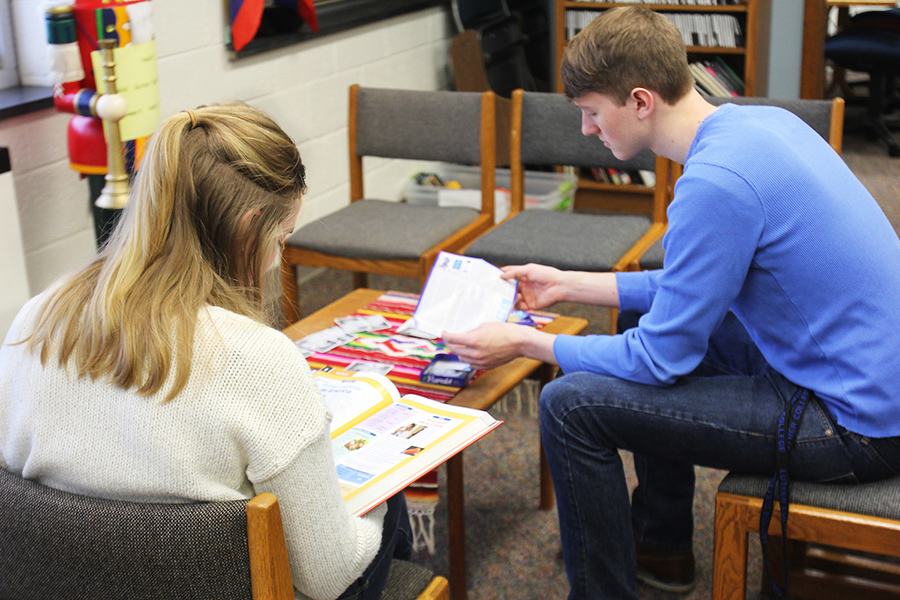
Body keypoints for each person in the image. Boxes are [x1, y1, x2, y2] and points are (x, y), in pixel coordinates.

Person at [442, 7, 900, 600]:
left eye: (590, 113)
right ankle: (662, 545)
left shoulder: (715, 182)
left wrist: (528, 343)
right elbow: (692, 287)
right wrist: (567, 283)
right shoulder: (755, 125)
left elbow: (662, 360)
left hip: (853, 424)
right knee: (636, 314)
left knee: (568, 405)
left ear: (639, 101)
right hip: (866, 376)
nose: (586, 131)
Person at [0, 103, 410, 600]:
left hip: (59, 585)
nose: (276, 258)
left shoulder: (35, 318)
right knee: (393, 503)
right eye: (282, 237)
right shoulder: (256, 359)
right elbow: (327, 576)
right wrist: (385, 494)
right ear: (247, 229)